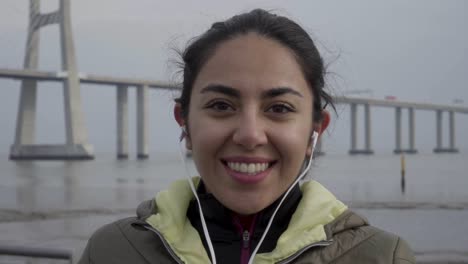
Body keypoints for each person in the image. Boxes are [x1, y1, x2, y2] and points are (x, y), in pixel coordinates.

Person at [79, 9, 415, 264]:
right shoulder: (112, 250)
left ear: (316, 130)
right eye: (221, 105)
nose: (250, 135)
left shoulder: (382, 256)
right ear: (185, 122)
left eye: (280, 108)